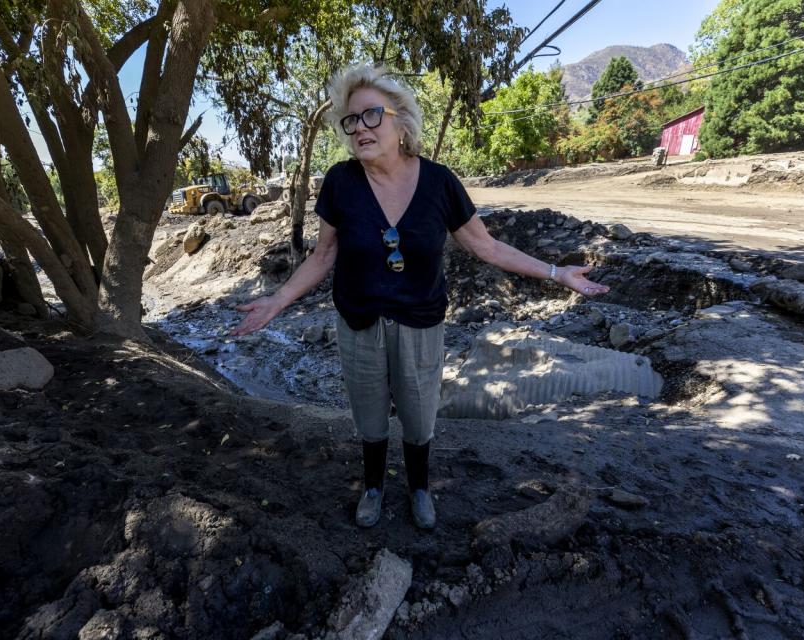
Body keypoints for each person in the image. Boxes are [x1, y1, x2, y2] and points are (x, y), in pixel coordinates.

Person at [231, 64, 609, 530]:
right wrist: (278, 300)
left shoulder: (439, 182)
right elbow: (322, 255)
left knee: (418, 417)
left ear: (399, 120)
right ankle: (372, 487)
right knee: (369, 417)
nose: (360, 129)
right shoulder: (340, 182)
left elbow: (485, 245)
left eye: (371, 116)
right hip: (359, 322)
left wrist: (557, 272)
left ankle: (420, 489)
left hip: (421, 322)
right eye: (351, 122)